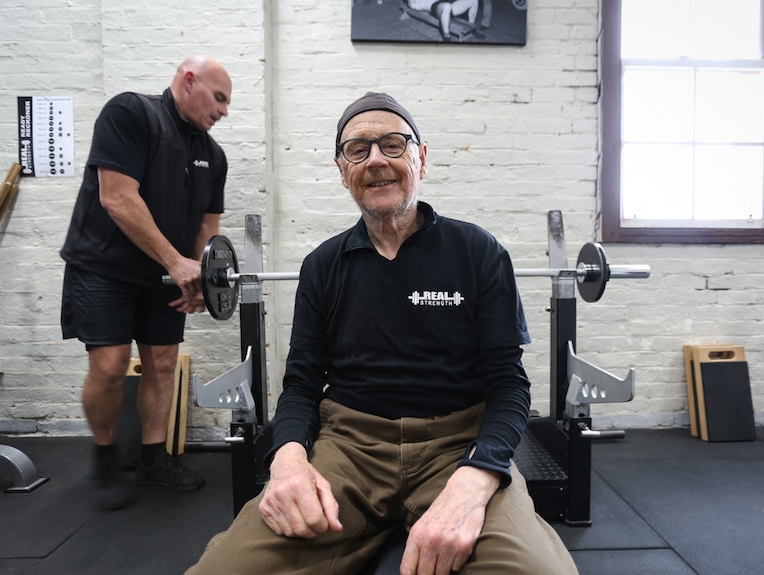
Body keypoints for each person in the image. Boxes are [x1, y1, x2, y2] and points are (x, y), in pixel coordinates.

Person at [185, 92, 577, 575]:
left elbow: (509, 385)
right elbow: (302, 387)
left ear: (422, 157)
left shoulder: (479, 252)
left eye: (393, 145)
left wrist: (476, 478)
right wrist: (286, 462)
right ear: (341, 168)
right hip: (349, 446)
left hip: (457, 442)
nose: (376, 160)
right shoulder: (322, 266)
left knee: (539, 572)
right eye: (358, 149)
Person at [60, 54, 232, 511]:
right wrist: (177, 263)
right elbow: (117, 197)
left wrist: (202, 279)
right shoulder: (130, 113)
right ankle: (103, 457)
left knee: (162, 364)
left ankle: (154, 461)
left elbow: (207, 228)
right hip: (103, 269)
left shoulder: (213, 156)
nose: (224, 111)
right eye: (219, 98)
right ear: (188, 80)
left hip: (163, 273)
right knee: (111, 367)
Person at [408, 0, 485, 42]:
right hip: (436, 8)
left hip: (448, 6)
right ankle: (446, 37)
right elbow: (413, 5)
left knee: (474, 0)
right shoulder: (414, 3)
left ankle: (471, 27)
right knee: (446, 6)